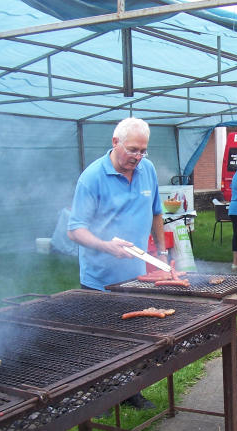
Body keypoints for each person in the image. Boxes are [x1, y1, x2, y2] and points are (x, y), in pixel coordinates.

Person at [68, 117, 165, 410]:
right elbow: (75, 229)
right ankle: (102, 397)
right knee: (102, 341)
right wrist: (105, 245)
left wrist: (161, 252)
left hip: (135, 276)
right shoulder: (92, 177)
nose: (138, 157)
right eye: (133, 149)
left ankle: (131, 391)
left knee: (134, 338)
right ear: (115, 143)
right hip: (100, 278)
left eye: (142, 151)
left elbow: (156, 213)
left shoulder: (147, 170)